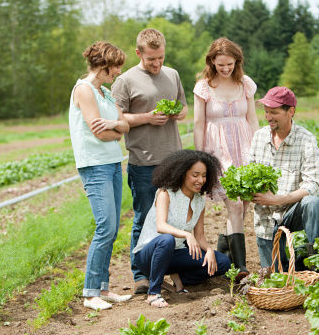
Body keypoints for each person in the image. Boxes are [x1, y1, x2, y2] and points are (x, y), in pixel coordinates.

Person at [111, 28, 188, 294]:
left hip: (173, 159)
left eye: (161, 58)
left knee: (175, 219)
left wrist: (177, 114)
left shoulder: (173, 74)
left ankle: (170, 269)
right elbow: (118, 119)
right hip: (143, 161)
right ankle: (141, 275)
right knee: (144, 218)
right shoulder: (124, 81)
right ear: (138, 53)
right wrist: (147, 117)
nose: (157, 64)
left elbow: (184, 107)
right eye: (151, 59)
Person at [68, 41, 132, 311]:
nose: (117, 73)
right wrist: (116, 129)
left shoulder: (104, 92)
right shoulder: (84, 90)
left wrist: (117, 125)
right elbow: (100, 132)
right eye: (115, 68)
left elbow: (124, 125)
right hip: (94, 165)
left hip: (113, 163)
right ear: (103, 66)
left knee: (113, 227)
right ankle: (90, 293)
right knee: (105, 226)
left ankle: (103, 288)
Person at [193, 37, 259, 281]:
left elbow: (252, 119)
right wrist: (199, 158)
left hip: (245, 148)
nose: (225, 69)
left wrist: (259, 150)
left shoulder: (245, 84)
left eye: (229, 64)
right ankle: (240, 267)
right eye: (220, 64)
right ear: (212, 62)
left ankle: (224, 252)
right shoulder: (204, 87)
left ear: (236, 62)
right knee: (235, 205)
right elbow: (199, 124)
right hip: (218, 152)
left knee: (245, 204)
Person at [132, 150, 231, 308]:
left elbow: (199, 237)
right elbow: (161, 226)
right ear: (182, 174)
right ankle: (153, 293)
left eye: (204, 175)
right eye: (195, 175)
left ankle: (182, 279)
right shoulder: (166, 193)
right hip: (149, 255)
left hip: (174, 254)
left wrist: (210, 250)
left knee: (223, 262)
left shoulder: (199, 201)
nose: (201, 180)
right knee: (167, 239)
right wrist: (186, 235)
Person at [249, 86, 319, 270]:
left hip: (293, 213)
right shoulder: (259, 137)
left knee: (312, 203)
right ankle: (298, 261)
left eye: (274, 112)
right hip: (267, 221)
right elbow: (249, 174)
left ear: (290, 111)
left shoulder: (306, 140)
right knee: (277, 276)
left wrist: (277, 199)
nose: (268, 117)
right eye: (266, 112)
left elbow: (313, 184)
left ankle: (318, 263)